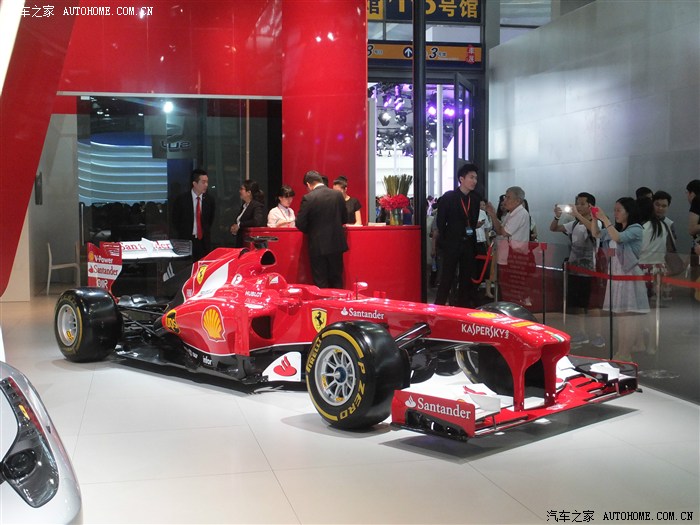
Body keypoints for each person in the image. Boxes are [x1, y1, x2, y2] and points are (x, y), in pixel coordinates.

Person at [591, 198, 649, 361]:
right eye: (614, 210)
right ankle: (621, 351)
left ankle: (626, 353)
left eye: (619, 210)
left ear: (628, 212)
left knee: (627, 317)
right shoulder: (615, 228)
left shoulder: (636, 228)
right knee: (620, 318)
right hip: (616, 275)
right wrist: (594, 218)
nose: (615, 213)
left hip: (628, 275)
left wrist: (605, 219)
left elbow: (618, 238)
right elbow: (596, 233)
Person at [550, 192, 605, 347]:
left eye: (582, 204)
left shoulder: (597, 222)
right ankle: (582, 333)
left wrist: (577, 215)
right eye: (577, 203)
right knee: (578, 304)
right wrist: (557, 216)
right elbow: (554, 228)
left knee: (592, 304)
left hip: (590, 270)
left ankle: (598, 335)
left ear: (590, 206)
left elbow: (594, 231)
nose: (578, 207)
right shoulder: (574, 224)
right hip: (575, 268)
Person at [433, 163, 481, 307]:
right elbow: (441, 222)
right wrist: (445, 240)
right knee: (447, 277)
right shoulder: (449, 197)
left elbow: (473, 221)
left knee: (466, 278)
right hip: (451, 243)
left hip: (468, 243)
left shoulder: (475, 199)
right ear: (461, 179)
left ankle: (462, 308)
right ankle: (439, 307)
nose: (474, 181)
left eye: (476, 178)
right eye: (471, 177)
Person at [296, 170, 348, 289]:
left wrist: (312, 231)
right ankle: (338, 301)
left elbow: (300, 223)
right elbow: (344, 219)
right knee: (337, 280)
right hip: (336, 244)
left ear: (308, 184)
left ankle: (324, 302)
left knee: (321, 282)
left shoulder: (308, 198)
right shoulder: (338, 195)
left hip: (318, 246)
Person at [486, 186, 532, 306]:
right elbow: (499, 229)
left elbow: (503, 232)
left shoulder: (520, 213)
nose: (504, 200)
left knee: (513, 286)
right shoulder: (510, 214)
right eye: (505, 197)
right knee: (505, 286)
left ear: (518, 201)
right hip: (507, 255)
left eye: (508, 197)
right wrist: (492, 214)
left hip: (516, 256)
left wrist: (494, 216)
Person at [170, 168, 215, 261]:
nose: (206, 185)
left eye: (207, 182)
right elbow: (175, 220)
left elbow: (210, 220)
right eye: (203, 182)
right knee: (187, 265)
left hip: (203, 242)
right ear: (194, 183)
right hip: (186, 240)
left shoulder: (209, 200)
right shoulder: (182, 200)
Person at [230, 180, 265, 247]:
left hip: (250, 244)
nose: (239, 191)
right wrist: (235, 229)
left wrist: (239, 225)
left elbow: (256, 221)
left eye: (242, 189)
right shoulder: (244, 206)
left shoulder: (256, 206)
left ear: (249, 192)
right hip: (241, 242)